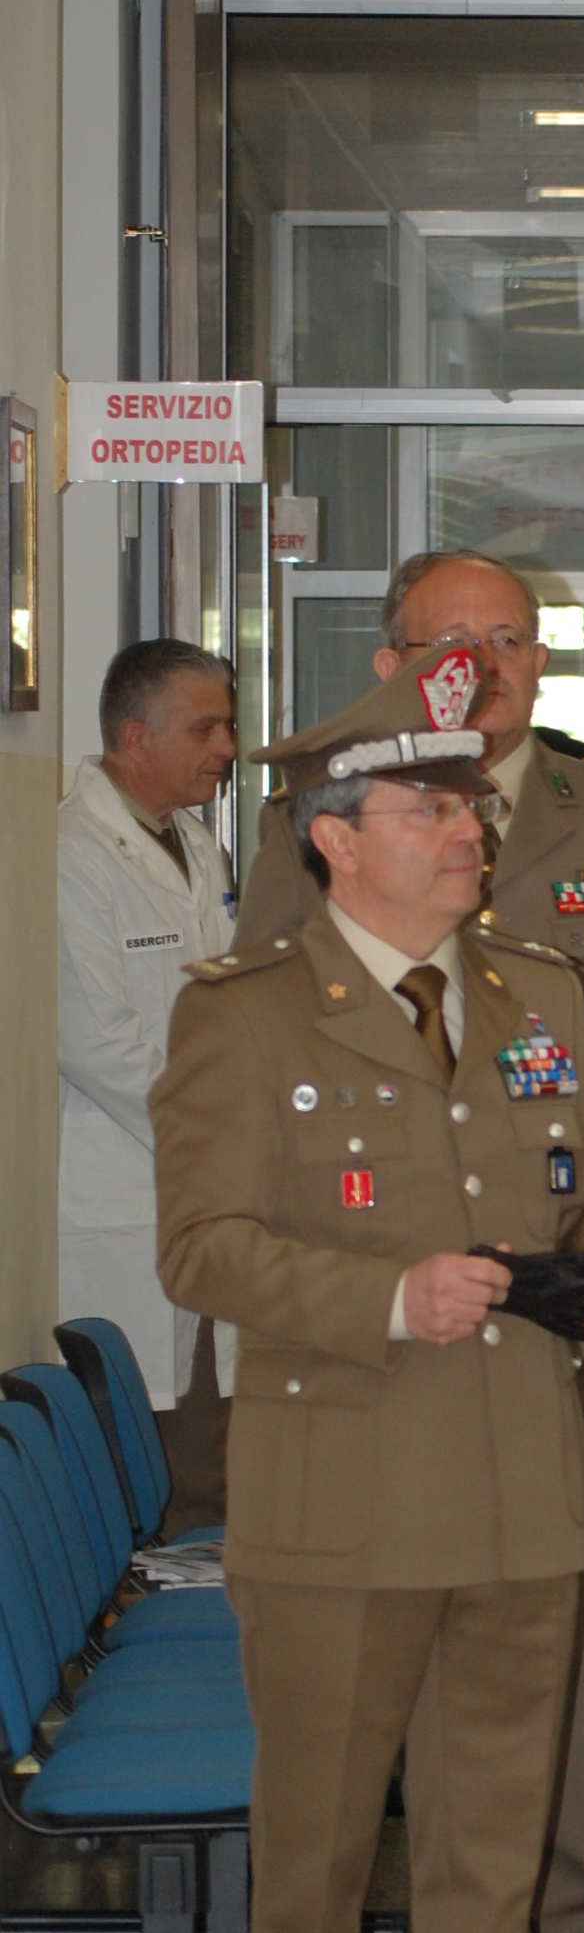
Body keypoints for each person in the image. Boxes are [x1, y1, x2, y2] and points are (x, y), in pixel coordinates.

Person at [152, 655, 584, 1933]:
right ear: (334, 837)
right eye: (427, 805)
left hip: (523, 1484)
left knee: (488, 1842)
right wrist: (388, 1292)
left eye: (465, 800)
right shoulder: (245, 1013)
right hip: (341, 1497)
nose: (465, 829)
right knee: (314, 1846)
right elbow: (202, 1249)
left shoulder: (531, 990)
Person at [236, 549, 584, 1933]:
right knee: (381, 1634)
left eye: (506, 640)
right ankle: (442, 1931)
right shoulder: (306, 814)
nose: (479, 665)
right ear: (393, 657)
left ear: (544, 657)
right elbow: (256, 1054)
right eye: (444, 642)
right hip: (375, 1308)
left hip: (563, 1305)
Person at [58, 640, 240, 1532]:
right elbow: (92, 1043)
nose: (228, 746)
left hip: (197, 1180)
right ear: (137, 736)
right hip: (125, 1181)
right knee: (131, 1434)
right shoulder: (72, 852)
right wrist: (214, 1133)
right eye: (207, 726)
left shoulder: (198, 849)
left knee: (200, 1425)